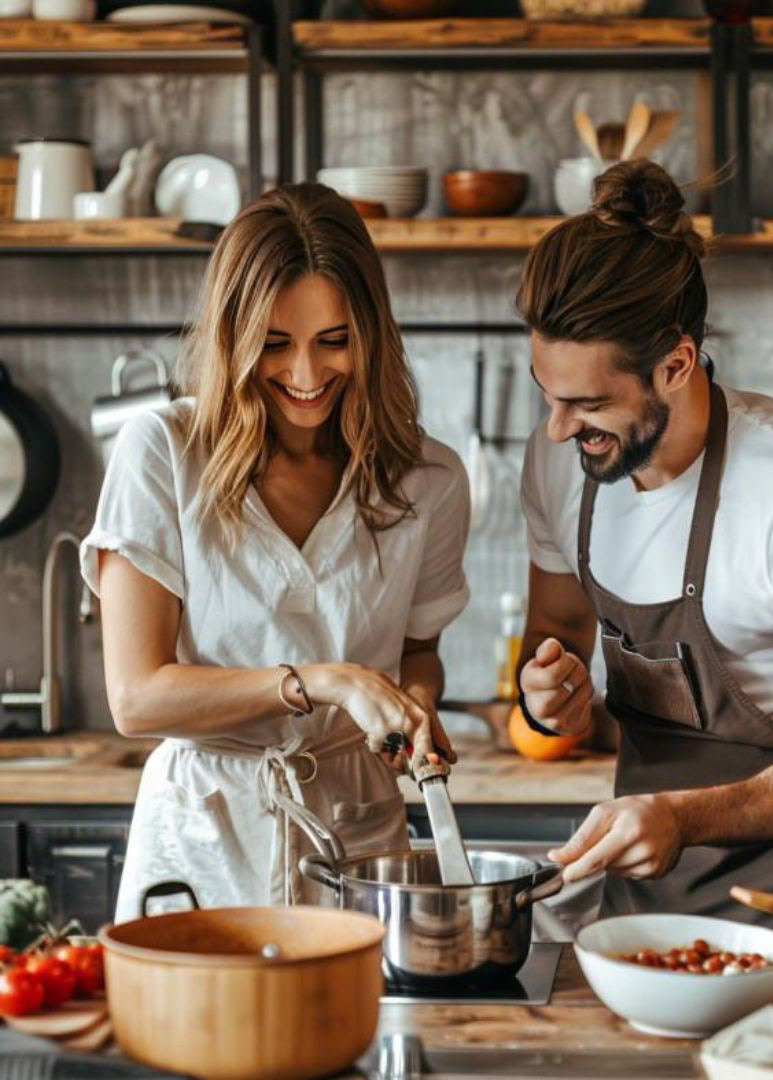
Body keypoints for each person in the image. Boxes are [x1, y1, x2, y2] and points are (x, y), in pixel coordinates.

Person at [81, 183, 470, 920]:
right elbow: (136, 698)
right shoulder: (161, 452)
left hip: (357, 834)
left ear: (371, 334)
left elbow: (419, 652)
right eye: (273, 343)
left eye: (333, 341)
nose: (304, 375)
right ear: (232, 336)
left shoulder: (431, 478)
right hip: (203, 838)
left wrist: (410, 710)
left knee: (357, 1033)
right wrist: (321, 681)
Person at [515, 161, 773, 919]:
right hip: (646, 903)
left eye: (587, 404)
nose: (557, 429)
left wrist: (681, 816)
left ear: (676, 364)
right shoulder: (560, 462)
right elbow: (555, 633)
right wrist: (542, 700)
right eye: (547, 396)